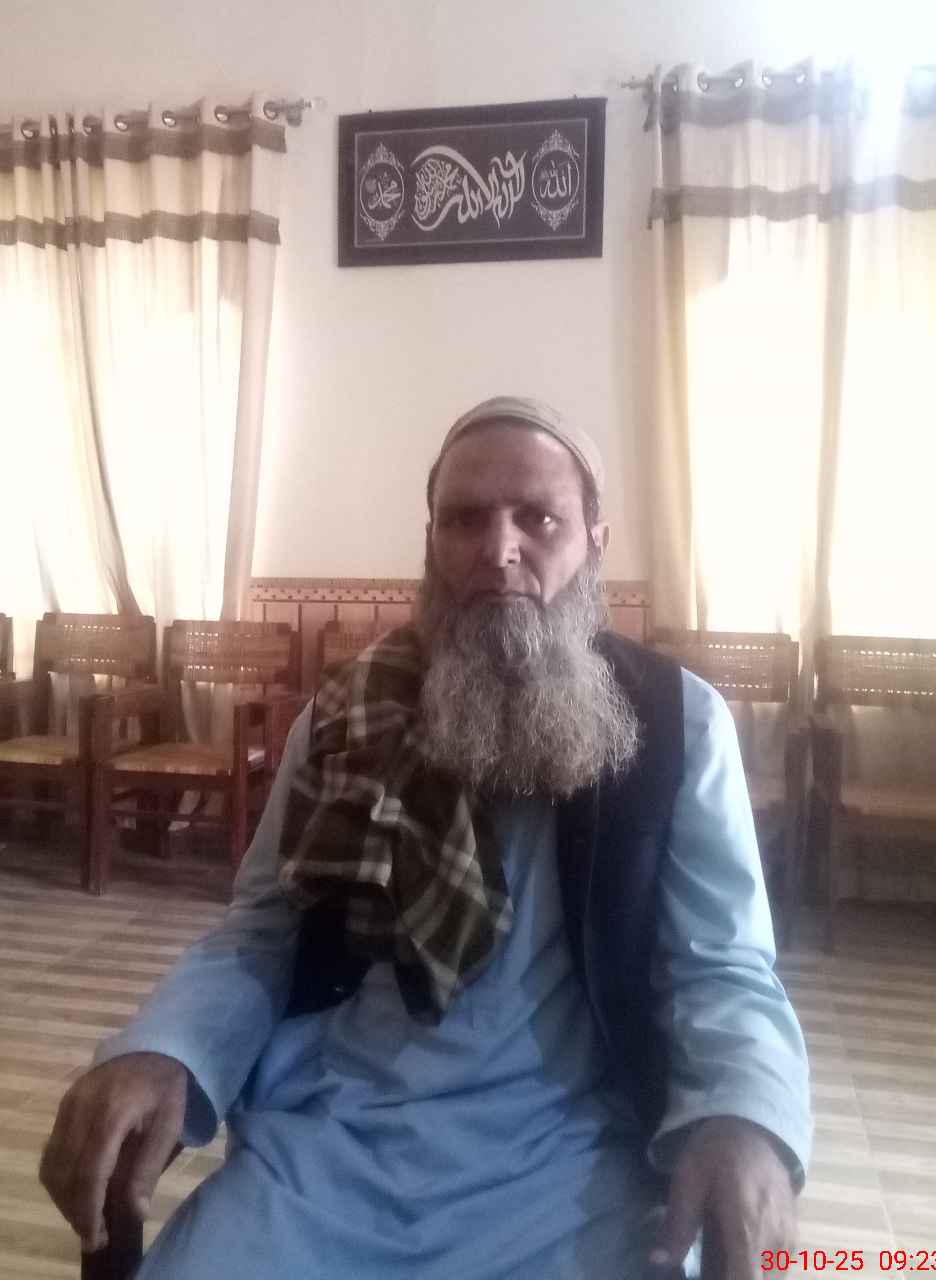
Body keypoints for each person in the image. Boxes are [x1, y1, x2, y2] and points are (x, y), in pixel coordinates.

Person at [40, 396, 811, 1279]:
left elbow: (724, 965)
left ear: (595, 545)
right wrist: (165, 1044)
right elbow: (262, 929)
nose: (499, 549)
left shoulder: (678, 724)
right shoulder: (345, 716)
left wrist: (746, 1115)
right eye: (466, 519)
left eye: (540, 519)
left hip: (577, 1154)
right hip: (333, 1140)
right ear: (432, 541)